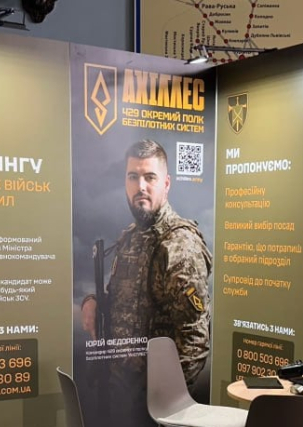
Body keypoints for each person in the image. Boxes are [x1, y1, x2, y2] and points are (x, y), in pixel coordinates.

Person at [81, 139, 213, 388]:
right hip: (118, 388)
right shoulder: (130, 237)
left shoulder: (179, 245)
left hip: (153, 398)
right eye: (133, 177)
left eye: (150, 177)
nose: (140, 186)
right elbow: (122, 303)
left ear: (166, 184)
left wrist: (163, 400)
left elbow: (194, 341)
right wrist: (93, 301)